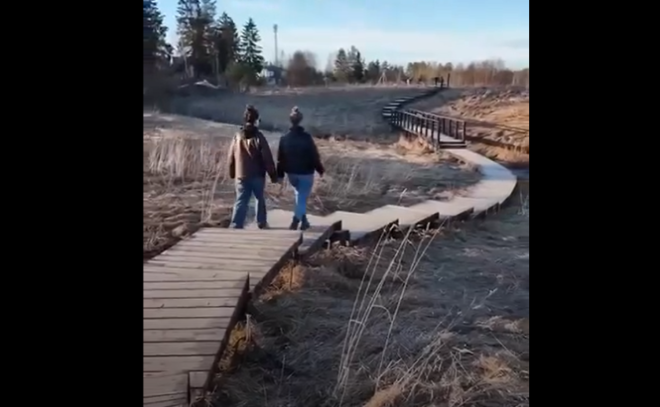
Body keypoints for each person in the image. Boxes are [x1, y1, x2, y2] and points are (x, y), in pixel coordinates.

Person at [227, 105, 278, 229]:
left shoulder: (237, 136)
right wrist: (273, 174)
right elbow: (267, 157)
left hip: (241, 174)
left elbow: (231, 156)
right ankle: (261, 222)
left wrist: (232, 172)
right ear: (255, 120)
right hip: (257, 174)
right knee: (259, 198)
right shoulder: (259, 136)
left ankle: (236, 224)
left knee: (241, 199)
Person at [276, 106, 325, 230]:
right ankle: (295, 220)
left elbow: (280, 158)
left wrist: (280, 175)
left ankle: (304, 222)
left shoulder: (284, 138)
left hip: (291, 173)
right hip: (305, 173)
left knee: (299, 196)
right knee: (302, 197)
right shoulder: (306, 138)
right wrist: (320, 169)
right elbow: (314, 155)